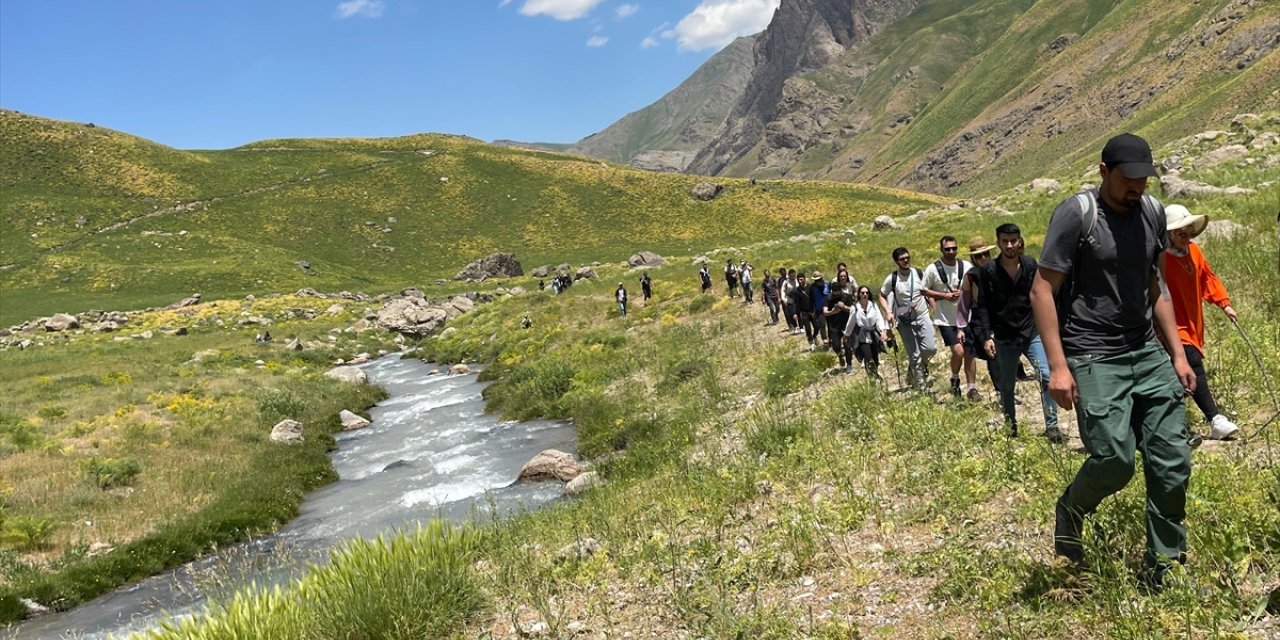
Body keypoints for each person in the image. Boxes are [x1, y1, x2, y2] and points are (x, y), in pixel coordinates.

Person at [1030, 133, 1195, 586]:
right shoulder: (1077, 214)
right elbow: (1043, 290)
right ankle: (1070, 509)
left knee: (1172, 460)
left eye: (1144, 179)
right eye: (1128, 179)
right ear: (1104, 172)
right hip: (1091, 353)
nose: (1137, 188)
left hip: (1145, 350)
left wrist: (1177, 354)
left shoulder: (1153, 212)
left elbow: (1154, 285)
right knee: (1115, 459)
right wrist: (1058, 367)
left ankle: (1163, 565)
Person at [969, 224, 1062, 442]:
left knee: (1046, 376)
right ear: (998, 242)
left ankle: (1052, 426)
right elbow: (981, 306)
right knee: (1007, 385)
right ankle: (1011, 425)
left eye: (1013, 240)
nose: (1010, 245)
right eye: (1005, 241)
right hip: (1004, 336)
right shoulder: (988, 272)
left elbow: (1040, 295)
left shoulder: (1030, 264)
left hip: (1031, 331)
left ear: (1020, 241)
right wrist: (985, 337)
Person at [1163, 204, 1239, 442]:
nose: (1186, 238)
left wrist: (1224, 303)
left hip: (1192, 321)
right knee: (1190, 361)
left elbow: (1207, 278)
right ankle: (1215, 419)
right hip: (1169, 324)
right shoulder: (1159, 257)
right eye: (1180, 233)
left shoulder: (1194, 252)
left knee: (1177, 374)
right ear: (1168, 234)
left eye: (1189, 233)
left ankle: (1174, 428)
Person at [922, 235, 974, 397]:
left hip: (966, 316)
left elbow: (975, 285)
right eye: (947, 249)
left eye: (954, 248)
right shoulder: (932, 269)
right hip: (945, 318)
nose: (951, 252)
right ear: (941, 249)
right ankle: (955, 377)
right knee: (958, 352)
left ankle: (972, 387)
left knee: (969, 352)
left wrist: (964, 292)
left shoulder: (966, 265)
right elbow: (923, 290)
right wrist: (943, 295)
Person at [879, 247, 937, 392]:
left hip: (922, 316)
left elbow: (928, 292)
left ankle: (916, 368)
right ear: (896, 262)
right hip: (904, 321)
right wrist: (888, 312)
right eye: (902, 259)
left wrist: (935, 311)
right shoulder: (892, 278)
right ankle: (921, 387)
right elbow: (882, 295)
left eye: (907, 257)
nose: (906, 260)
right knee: (914, 354)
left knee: (931, 348)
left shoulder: (918, 273)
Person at [957, 236, 998, 400]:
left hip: (1001, 316)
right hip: (981, 319)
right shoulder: (971, 277)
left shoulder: (999, 269)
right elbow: (964, 303)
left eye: (986, 254)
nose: (983, 258)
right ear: (973, 258)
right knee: (992, 354)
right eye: (979, 256)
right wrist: (961, 327)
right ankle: (1000, 390)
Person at [846, 285, 889, 381]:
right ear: (859, 295)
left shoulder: (873, 305)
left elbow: (879, 319)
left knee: (875, 358)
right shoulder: (855, 308)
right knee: (868, 357)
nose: (865, 295)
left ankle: (875, 372)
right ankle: (872, 377)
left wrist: (882, 331)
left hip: (874, 335)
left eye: (867, 293)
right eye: (862, 293)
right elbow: (851, 322)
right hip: (862, 337)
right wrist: (846, 335)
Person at [824, 271, 855, 373]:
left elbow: (853, 310)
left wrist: (844, 307)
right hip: (833, 326)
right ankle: (840, 355)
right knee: (836, 346)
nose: (835, 293)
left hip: (846, 325)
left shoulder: (846, 297)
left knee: (847, 346)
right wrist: (832, 312)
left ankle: (849, 364)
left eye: (836, 291)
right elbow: (824, 312)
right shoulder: (828, 298)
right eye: (833, 291)